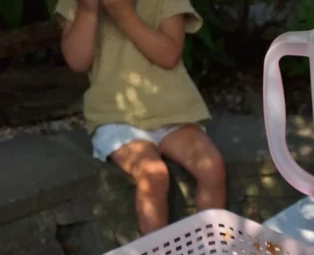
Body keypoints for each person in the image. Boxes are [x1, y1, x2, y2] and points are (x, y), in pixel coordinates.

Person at [56, 0, 226, 235]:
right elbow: (77, 61)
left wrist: (125, 15)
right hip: (116, 116)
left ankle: (214, 252)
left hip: (172, 111)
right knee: (153, 174)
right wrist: (87, 10)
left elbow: (169, 55)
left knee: (212, 166)